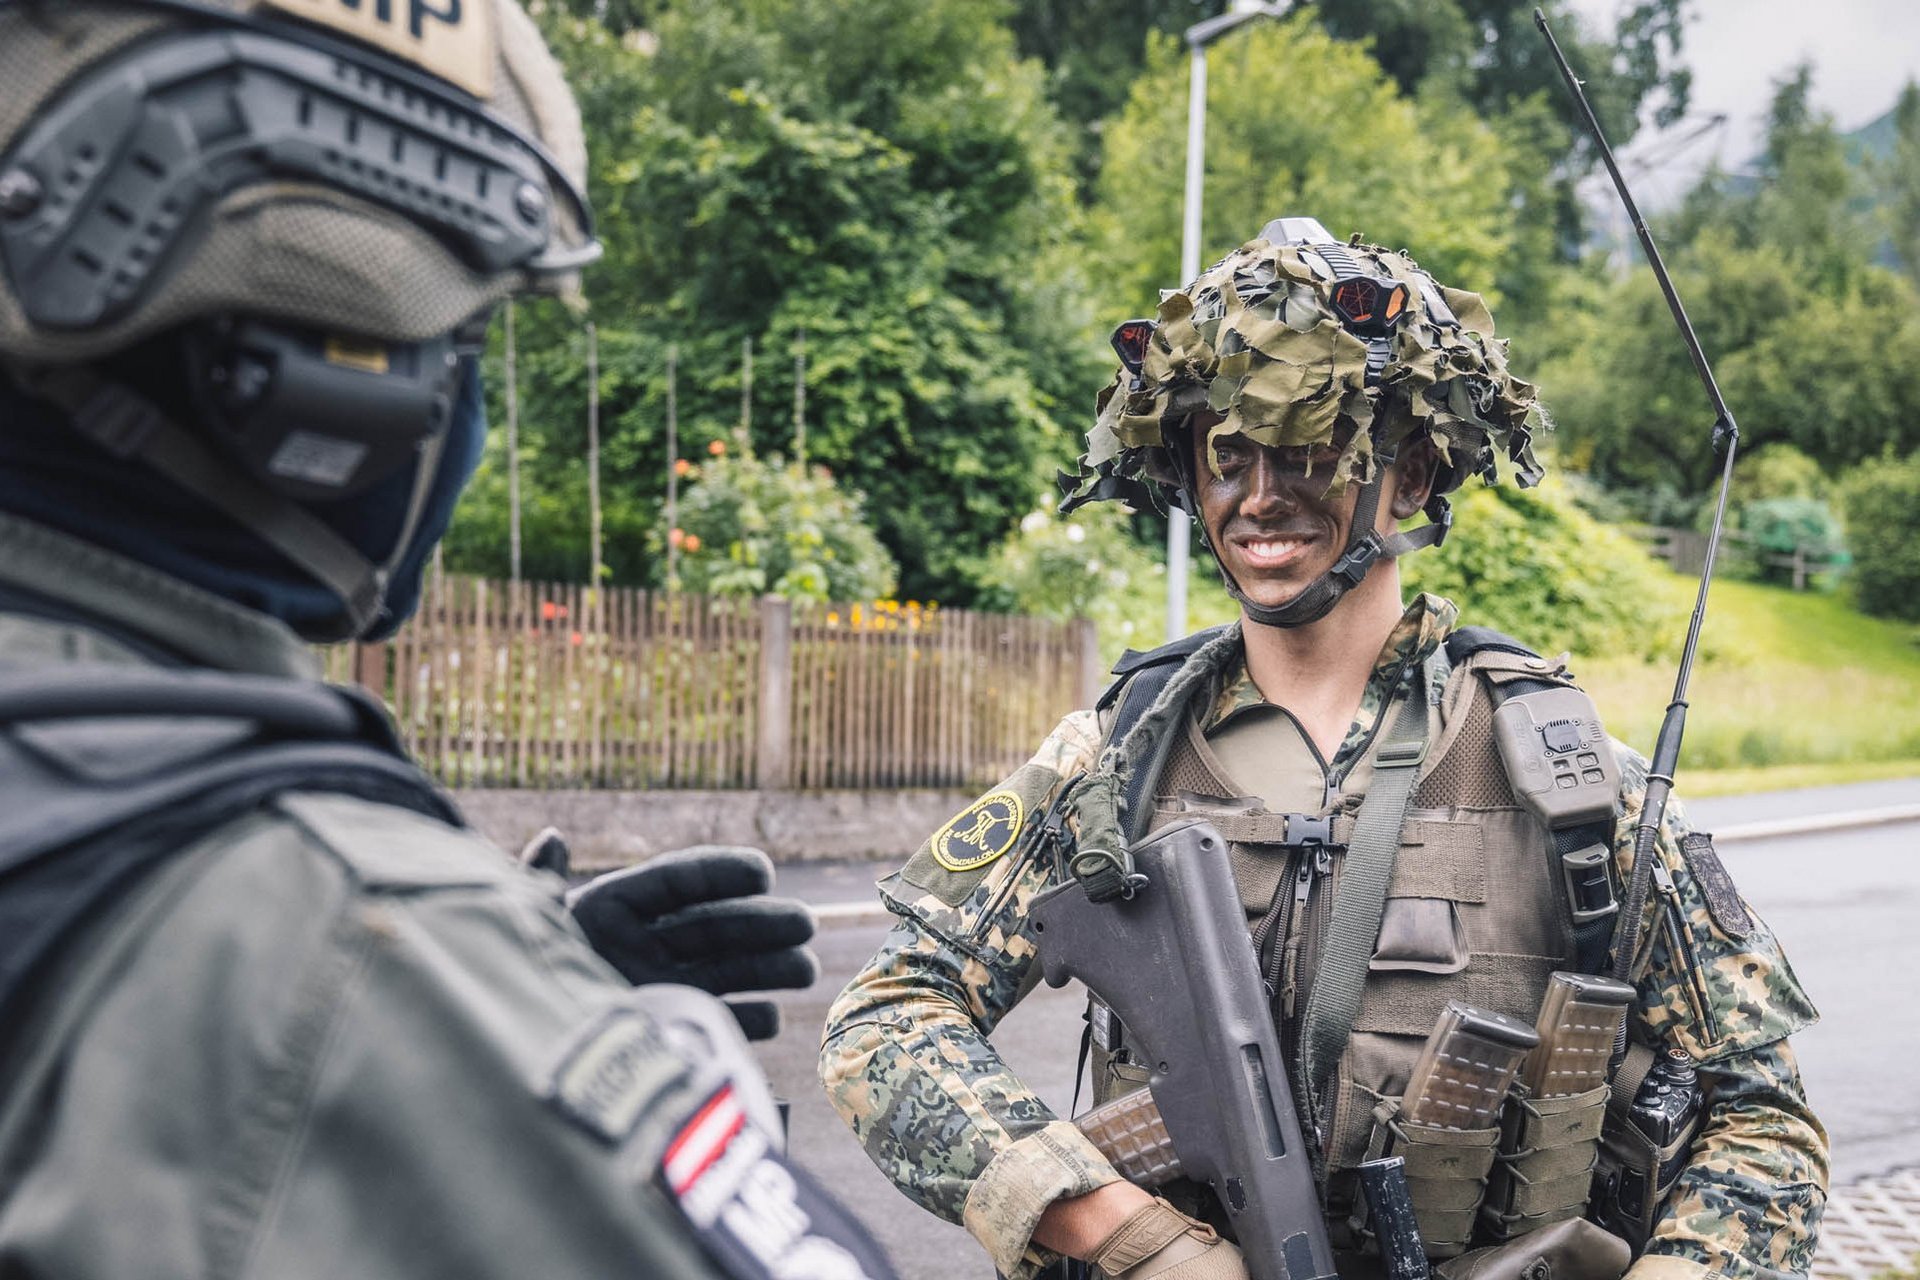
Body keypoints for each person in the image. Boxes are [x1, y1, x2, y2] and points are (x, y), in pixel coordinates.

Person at [0, 3, 892, 1276]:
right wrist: (477, 1009)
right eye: (460, 340)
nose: (462, 414)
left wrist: (522, 950)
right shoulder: (337, 936)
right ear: (325, 378)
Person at [820, 219, 1826, 1280]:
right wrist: (1114, 1224)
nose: (1259, 498)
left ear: (1415, 469)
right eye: (1225, 456)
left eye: (1307, 448)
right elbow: (887, 1017)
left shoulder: (1569, 780)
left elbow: (1763, 1117)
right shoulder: (1115, 756)